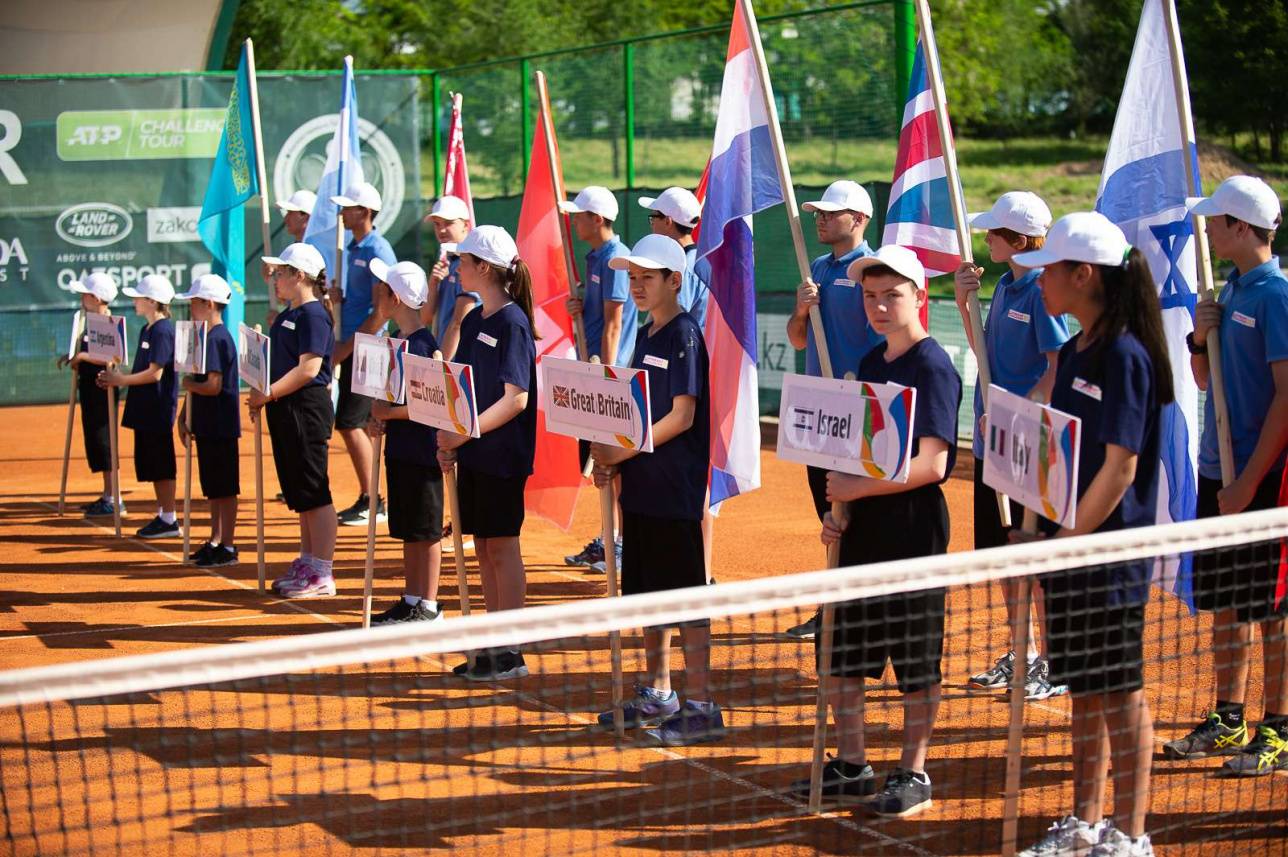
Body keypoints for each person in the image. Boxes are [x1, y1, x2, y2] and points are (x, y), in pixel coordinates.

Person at [1012, 212, 1169, 857]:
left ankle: (1130, 836)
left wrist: (1068, 537)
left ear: (1084, 275)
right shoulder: (1076, 349)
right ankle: (1084, 821)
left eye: (1049, 268)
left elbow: (1121, 466)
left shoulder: (1126, 355)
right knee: (1084, 689)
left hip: (1107, 556)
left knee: (1120, 691)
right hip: (1070, 548)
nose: (1040, 280)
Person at [790, 245, 960, 819]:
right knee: (841, 650)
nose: (880, 307)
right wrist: (839, 515)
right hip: (862, 529)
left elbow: (934, 464)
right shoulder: (868, 365)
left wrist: (857, 492)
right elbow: (851, 455)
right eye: (870, 296)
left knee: (915, 658)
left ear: (920, 297)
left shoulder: (934, 367)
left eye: (892, 295)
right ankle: (853, 763)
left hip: (913, 530)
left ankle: (913, 771)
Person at [1164, 176, 1288, 777]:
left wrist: (1249, 482)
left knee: (1272, 608)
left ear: (1241, 228)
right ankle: (1228, 716)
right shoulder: (1231, 289)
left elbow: (1286, 400)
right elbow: (1208, 382)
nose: (1207, 229)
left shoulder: (1277, 295)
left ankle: (1279, 728)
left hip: (1264, 480)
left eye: (1215, 221)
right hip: (1221, 471)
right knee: (1227, 603)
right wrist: (1197, 335)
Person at [590, 234, 724, 746]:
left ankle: (701, 704)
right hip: (642, 489)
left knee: (685, 597)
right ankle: (659, 691)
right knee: (645, 594)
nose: (637, 285)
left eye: (648, 277)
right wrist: (613, 462)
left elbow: (682, 415)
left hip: (675, 489)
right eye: (633, 277)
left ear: (675, 280)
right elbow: (635, 409)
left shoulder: (686, 333)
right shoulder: (648, 333)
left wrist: (622, 452)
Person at [954, 191, 1071, 701]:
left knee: (1035, 558)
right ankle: (1020, 651)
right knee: (1005, 552)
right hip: (993, 440)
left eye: (994, 234)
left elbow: (1057, 368)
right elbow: (982, 348)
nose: (986, 239)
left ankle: (1052, 659)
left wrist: (1019, 414)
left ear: (1019, 241)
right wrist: (963, 302)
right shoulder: (1003, 285)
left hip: (1029, 444)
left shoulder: (1046, 290)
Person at [436, 226, 537, 680]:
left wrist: (464, 433)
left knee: (502, 546)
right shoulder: (475, 319)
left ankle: (509, 651)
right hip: (476, 452)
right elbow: (465, 391)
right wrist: (454, 436)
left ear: (484, 268)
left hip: (503, 453)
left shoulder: (514, 322)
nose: (458, 267)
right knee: (483, 548)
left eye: (463, 260)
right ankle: (492, 643)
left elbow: (516, 399)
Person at [784, 179, 880, 641]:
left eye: (830, 212)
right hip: (817, 412)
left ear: (858, 219)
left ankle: (851, 612)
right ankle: (833, 609)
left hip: (857, 412)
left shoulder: (874, 271)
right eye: (817, 213)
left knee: (855, 518)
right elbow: (797, 339)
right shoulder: (814, 267)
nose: (819, 219)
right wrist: (802, 311)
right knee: (828, 514)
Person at [252, 243, 339, 599]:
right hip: (287, 408)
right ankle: (308, 560)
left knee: (315, 491)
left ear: (298, 276)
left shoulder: (314, 315)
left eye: (281, 273)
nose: (275, 279)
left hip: (305, 407)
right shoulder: (292, 313)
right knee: (301, 492)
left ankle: (322, 572)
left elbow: (309, 369)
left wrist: (267, 393)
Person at [639, 186, 716, 579]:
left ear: (668, 222)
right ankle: (699, 572)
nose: (651, 223)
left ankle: (699, 573)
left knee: (692, 489)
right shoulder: (699, 261)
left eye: (654, 217)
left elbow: (680, 322)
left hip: (683, 377)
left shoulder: (685, 270)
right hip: (683, 374)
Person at [366, 258, 447, 625]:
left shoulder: (423, 345)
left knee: (426, 529)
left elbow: (429, 404)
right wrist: (380, 413)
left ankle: (428, 605)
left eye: (382, 289)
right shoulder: (397, 341)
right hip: (401, 449)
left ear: (394, 298)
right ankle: (412, 596)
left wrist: (388, 414)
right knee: (409, 527)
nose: (376, 293)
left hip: (422, 453)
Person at [562, 186, 633, 573]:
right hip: (593, 371)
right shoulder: (595, 258)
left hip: (609, 376)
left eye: (580, 215)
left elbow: (614, 323)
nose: (575, 221)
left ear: (598, 219)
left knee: (613, 466)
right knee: (599, 466)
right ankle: (609, 538)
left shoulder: (615, 259)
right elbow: (597, 314)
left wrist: (605, 379)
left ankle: (620, 543)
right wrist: (579, 302)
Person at [328, 181, 398, 527]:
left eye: (349, 208)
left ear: (365, 213)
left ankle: (375, 500)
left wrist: (345, 348)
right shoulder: (354, 249)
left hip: (369, 349)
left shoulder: (377, 250)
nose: (342, 213)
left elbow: (381, 311)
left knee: (352, 422)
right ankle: (372, 496)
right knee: (359, 423)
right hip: (357, 345)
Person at [97, 274, 179, 540]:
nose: (134, 300)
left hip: (157, 407)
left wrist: (120, 380)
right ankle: (163, 515)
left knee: (162, 464)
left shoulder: (164, 330)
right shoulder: (147, 330)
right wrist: (118, 373)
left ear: (152, 301)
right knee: (152, 465)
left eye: (138, 296)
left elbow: (155, 374)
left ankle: (169, 518)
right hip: (145, 407)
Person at [174, 274, 241, 568]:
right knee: (214, 488)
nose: (191, 307)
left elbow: (212, 385)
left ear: (209, 304)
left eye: (194, 302)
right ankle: (216, 540)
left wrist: (188, 385)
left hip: (220, 424)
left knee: (224, 488)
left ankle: (227, 545)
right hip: (208, 423)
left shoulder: (216, 338)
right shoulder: (206, 337)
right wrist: (183, 414)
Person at [57, 272, 121, 518]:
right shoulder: (88, 321)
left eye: (85, 293)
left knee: (105, 442)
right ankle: (107, 495)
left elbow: (113, 358)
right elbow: (85, 351)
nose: (81, 297)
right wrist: (72, 356)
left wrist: (82, 357)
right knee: (96, 441)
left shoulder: (108, 323)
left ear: (96, 298)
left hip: (102, 389)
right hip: (90, 390)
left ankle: (113, 497)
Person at [422, 195, 479, 360]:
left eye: (448, 223)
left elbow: (458, 324)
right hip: (448, 362)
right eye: (437, 224)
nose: (441, 230)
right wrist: (433, 284)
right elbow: (426, 318)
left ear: (465, 226)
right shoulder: (448, 262)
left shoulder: (469, 263)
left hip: (461, 366)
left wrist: (442, 370)